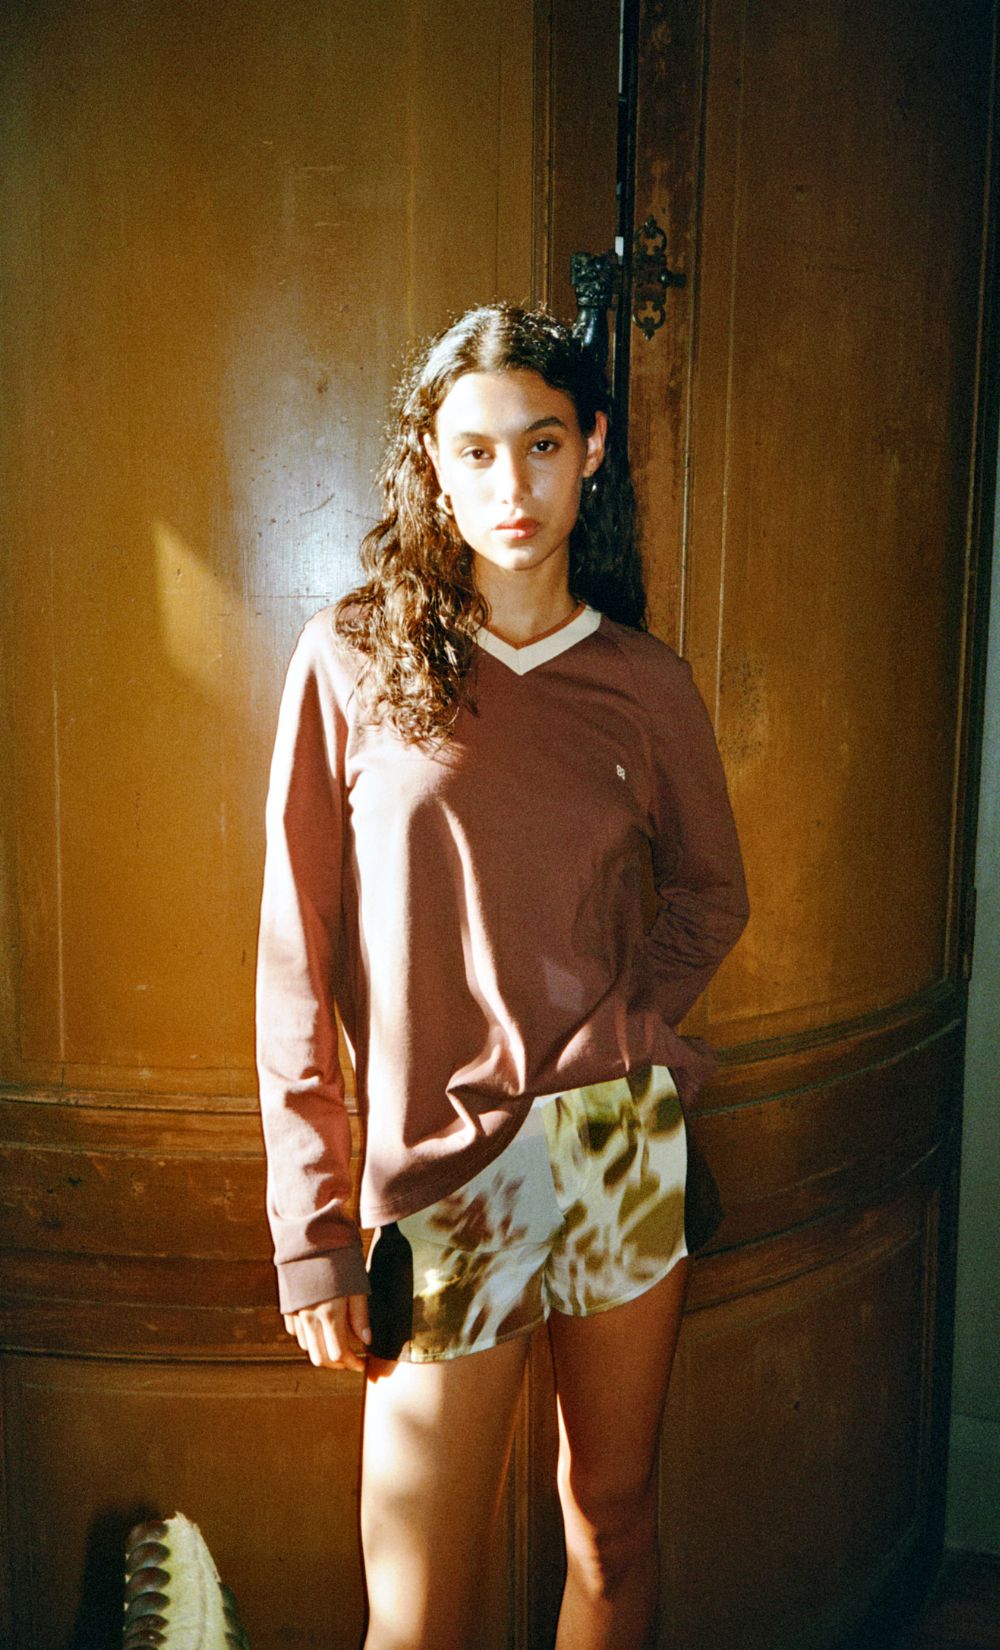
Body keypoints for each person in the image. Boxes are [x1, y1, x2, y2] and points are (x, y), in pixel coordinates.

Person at [255, 304, 749, 1650]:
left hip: (615, 1149)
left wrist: (622, 1028)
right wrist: (312, 1230)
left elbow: (713, 895)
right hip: (438, 1173)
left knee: (613, 1529)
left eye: (541, 443)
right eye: (474, 451)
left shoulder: (645, 682)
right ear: (433, 459)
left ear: (592, 447)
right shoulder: (350, 658)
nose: (511, 485)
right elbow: (295, 956)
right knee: (415, 1610)